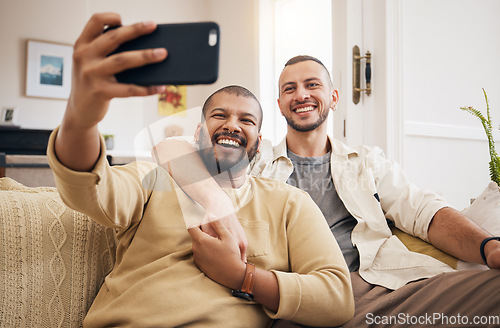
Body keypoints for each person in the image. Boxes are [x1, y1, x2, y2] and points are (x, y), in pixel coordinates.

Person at [46, 13, 354, 327]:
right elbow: (86, 186)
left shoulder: (289, 203)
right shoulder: (153, 181)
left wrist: (243, 277)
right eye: (219, 116)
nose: (232, 125)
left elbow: (337, 299)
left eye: (246, 120)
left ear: (259, 144)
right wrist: (81, 117)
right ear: (197, 134)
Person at [156, 55, 500, 327]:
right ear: (279, 105)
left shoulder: (367, 162)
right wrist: (222, 207)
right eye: (289, 89)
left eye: (311, 85)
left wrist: (488, 247)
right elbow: (174, 147)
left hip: (378, 286)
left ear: (333, 97)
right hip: (289, 294)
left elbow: (424, 211)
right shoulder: (253, 161)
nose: (301, 94)